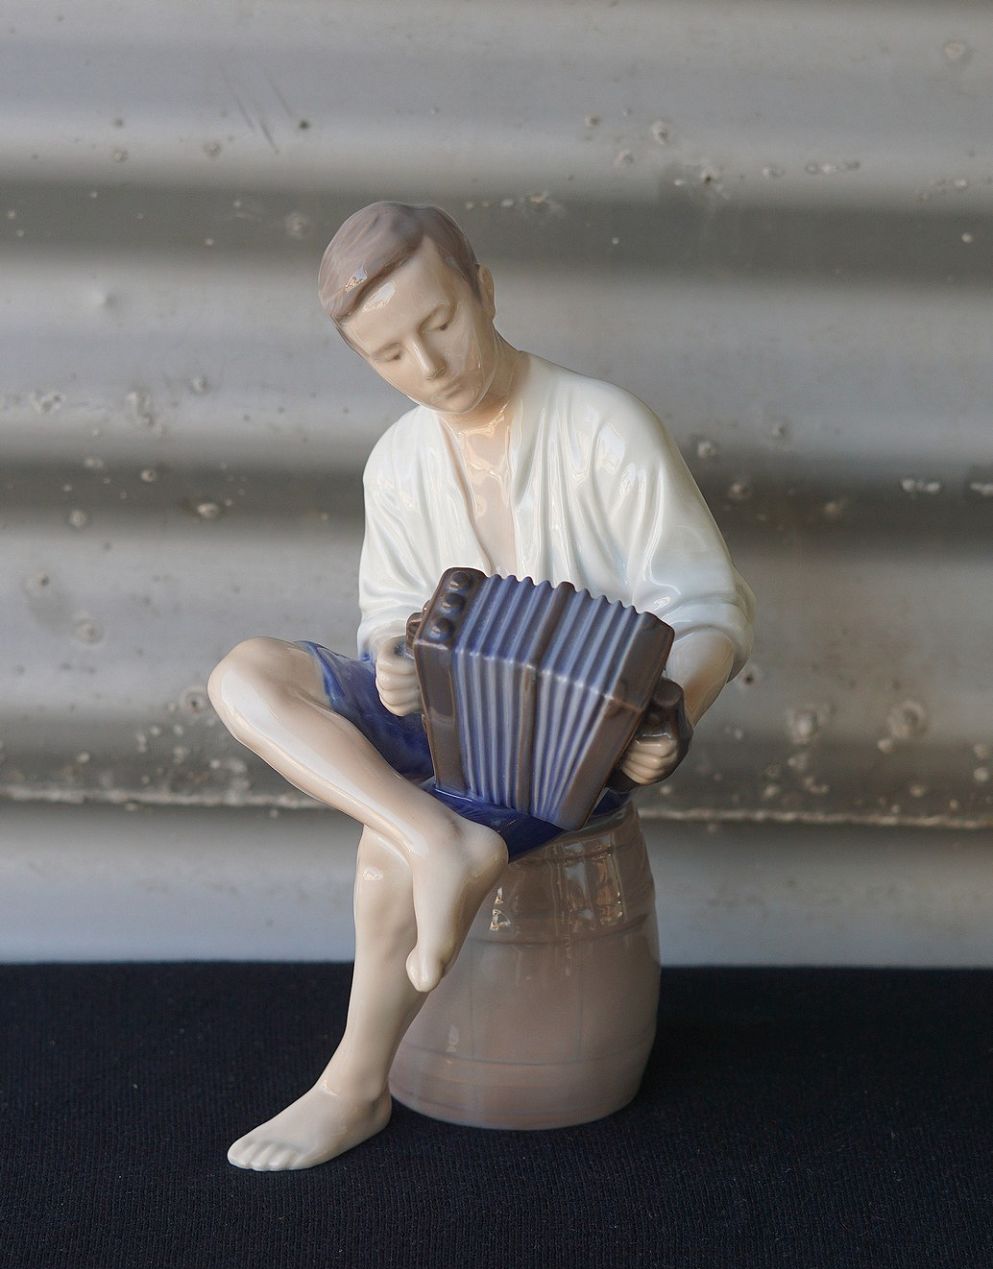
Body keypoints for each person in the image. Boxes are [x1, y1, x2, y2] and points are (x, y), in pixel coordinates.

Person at [208, 202, 754, 1171]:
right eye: (389, 354)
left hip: (564, 754)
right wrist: (391, 656)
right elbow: (388, 610)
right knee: (244, 674)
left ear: (483, 290)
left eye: (441, 322)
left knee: (381, 859)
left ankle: (353, 1088)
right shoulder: (398, 461)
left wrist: (671, 709)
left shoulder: (604, 426)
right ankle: (437, 838)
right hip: (445, 725)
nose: (428, 365)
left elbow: (709, 605)